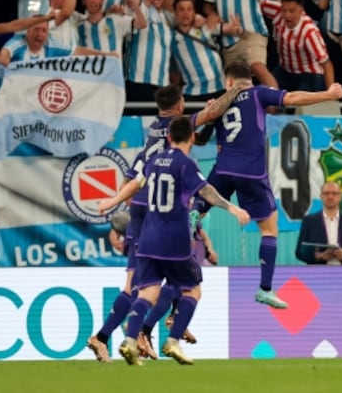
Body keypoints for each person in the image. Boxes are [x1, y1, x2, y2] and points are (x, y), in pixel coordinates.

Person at [85, 82, 249, 363]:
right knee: (176, 276)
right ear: (180, 106)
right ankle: (161, 326)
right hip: (158, 215)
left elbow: (132, 180)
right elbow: (212, 115)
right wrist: (234, 91)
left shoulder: (151, 136)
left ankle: (123, 334)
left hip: (141, 212)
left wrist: (115, 213)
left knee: (143, 285)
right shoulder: (179, 127)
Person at [201, 62, 342, 309]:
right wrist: (328, 94)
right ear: (249, 80)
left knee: (196, 211)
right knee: (269, 230)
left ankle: (176, 264)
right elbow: (293, 97)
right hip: (251, 172)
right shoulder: (258, 93)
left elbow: (207, 139)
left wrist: (209, 112)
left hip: (222, 169)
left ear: (228, 82)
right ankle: (265, 289)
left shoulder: (220, 104)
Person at [294, 181, 342, 265]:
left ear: (340, 197)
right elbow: (299, 253)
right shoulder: (309, 221)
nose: (330, 196)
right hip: (317, 274)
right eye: (326, 193)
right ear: (321, 196)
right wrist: (319, 256)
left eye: (334, 193)